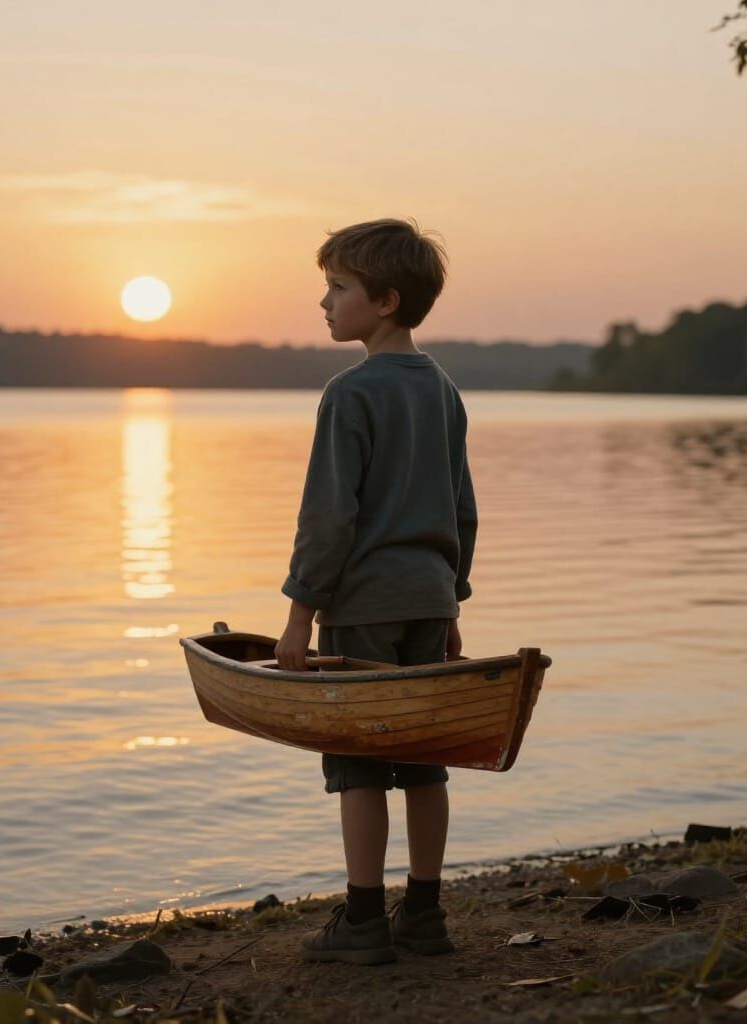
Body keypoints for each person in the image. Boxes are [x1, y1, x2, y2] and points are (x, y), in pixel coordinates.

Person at [274, 218, 477, 965]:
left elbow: (329, 516)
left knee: (358, 763)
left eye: (337, 288)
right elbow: (462, 507)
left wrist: (299, 617)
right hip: (428, 598)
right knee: (424, 760)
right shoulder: (444, 392)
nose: (324, 303)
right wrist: (451, 598)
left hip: (362, 606)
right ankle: (424, 914)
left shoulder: (350, 393)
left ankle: (363, 922)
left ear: (385, 301)